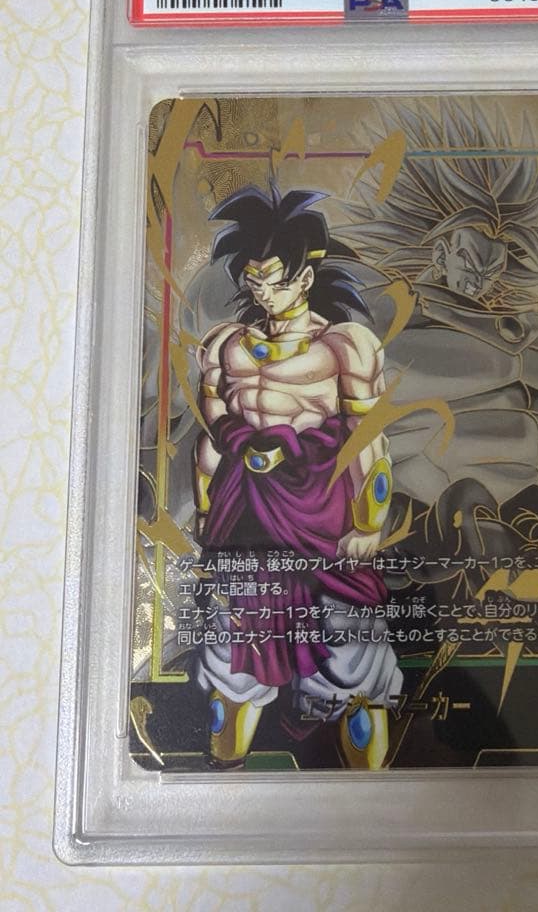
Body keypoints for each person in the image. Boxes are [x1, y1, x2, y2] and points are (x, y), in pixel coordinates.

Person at [193, 182, 402, 769]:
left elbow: (369, 437)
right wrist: (207, 506)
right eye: (254, 280)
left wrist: (370, 521)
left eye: (275, 280)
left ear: (305, 277)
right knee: (235, 650)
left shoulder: (343, 345)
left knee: (351, 656)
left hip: (321, 509)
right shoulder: (226, 343)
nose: (263, 292)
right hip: (243, 513)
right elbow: (212, 428)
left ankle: (375, 799)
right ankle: (221, 788)